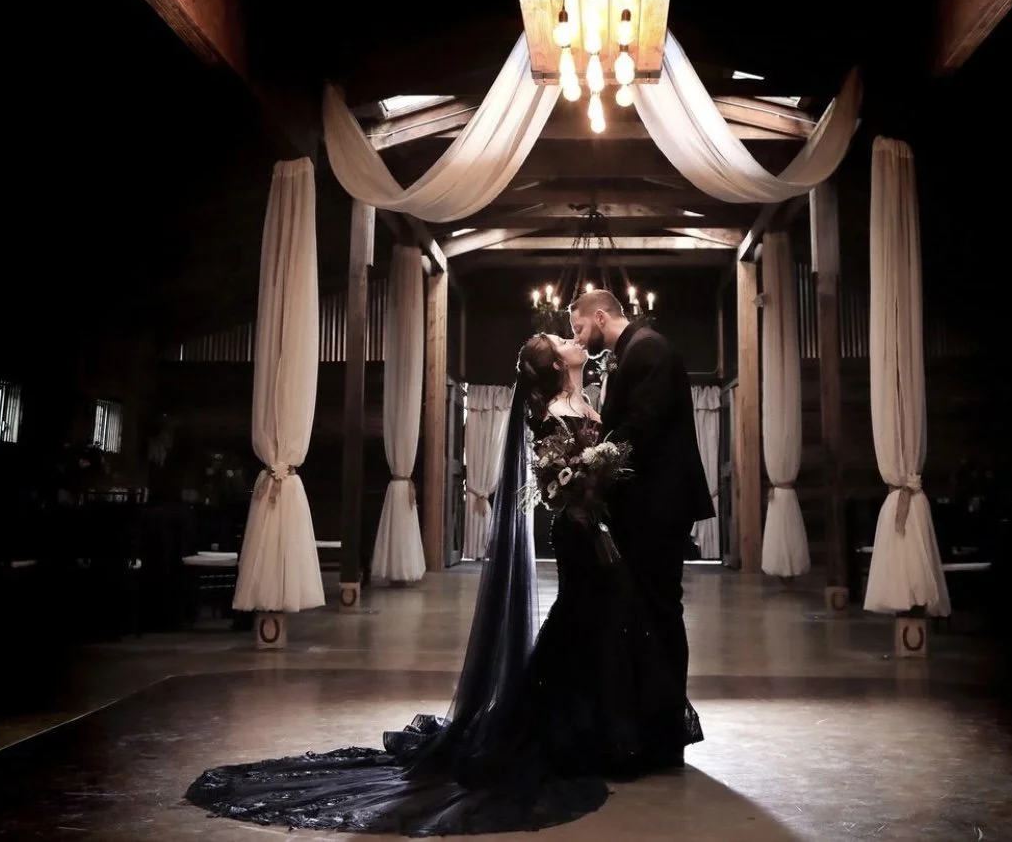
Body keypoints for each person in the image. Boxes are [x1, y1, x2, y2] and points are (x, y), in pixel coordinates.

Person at [185, 332, 697, 835]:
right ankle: (565, 733)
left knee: (599, 623)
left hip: (595, 527)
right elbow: (559, 474)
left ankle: (599, 732)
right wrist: (585, 489)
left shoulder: (585, 398)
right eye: (558, 339)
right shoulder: (553, 414)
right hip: (577, 530)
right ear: (553, 364)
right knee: (586, 618)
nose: (570, 339)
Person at [569, 290, 714, 771]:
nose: (578, 337)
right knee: (647, 610)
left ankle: (667, 730)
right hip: (646, 506)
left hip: (659, 506)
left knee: (660, 610)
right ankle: (651, 724)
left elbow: (642, 426)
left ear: (600, 315)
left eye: (579, 328)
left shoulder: (647, 348)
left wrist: (594, 460)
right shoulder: (631, 351)